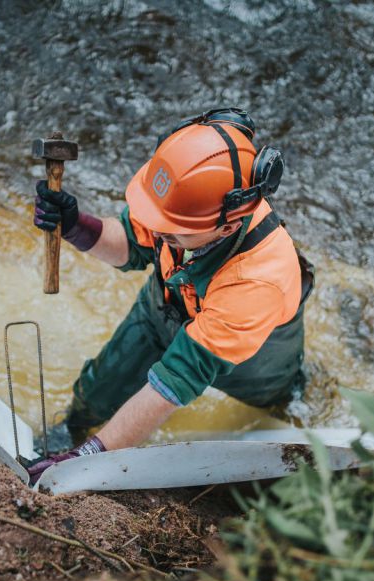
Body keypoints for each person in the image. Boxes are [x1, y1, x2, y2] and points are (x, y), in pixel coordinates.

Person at [26, 108, 313, 483]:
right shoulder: (181, 208)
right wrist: (77, 226)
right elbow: (132, 243)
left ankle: (293, 394)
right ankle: (71, 427)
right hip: (163, 310)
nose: (158, 231)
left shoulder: (258, 280)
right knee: (98, 388)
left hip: (254, 361)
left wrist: (87, 457)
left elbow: (176, 378)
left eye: (171, 231)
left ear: (227, 225)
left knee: (271, 406)